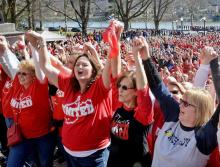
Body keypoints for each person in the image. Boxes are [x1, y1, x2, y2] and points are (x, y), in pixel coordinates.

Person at [26, 30, 112, 167]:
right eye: (77, 64)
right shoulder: (67, 84)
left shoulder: (100, 87)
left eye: (84, 64)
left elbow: (110, 66)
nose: (80, 66)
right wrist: (41, 44)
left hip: (94, 156)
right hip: (70, 153)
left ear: (93, 71)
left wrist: (114, 42)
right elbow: (46, 67)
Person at [138, 36, 219, 167]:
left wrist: (214, 66)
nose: (180, 104)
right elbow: (158, 87)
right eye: (182, 101)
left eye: (185, 104)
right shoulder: (174, 115)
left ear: (200, 110)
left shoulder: (204, 136)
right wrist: (146, 57)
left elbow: (200, 98)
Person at [107, 33, 154, 166]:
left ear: (135, 92)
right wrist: (115, 39)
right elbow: (115, 73)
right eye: (120, 86)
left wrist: (138, 58)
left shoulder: (142, 114)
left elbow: (143, 90)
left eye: (125, 87)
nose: (120, 90)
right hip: (114, 161)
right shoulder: (119, 105)